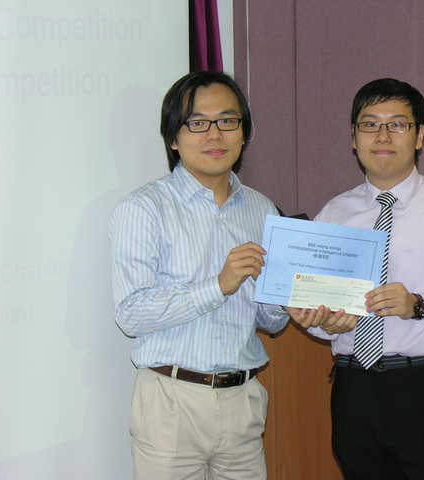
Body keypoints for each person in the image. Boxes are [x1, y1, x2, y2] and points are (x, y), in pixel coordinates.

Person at [287, 78, 424, 479]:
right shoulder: (334, 214)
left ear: (420, 135)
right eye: (370, 124)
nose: (383, 136)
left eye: (398, 124)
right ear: (354, 138)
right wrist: (323, 321)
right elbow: (318, 303)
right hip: (354, 388)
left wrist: (420, 305)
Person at [109, 71, 289, 480]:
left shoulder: (262, 209)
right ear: (173, 137)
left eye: (228, 121)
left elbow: (271, 320)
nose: (215, 134)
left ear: (243, 132)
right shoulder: (143, 209)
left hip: (242, 398)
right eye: (197, 122)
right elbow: (131, 313)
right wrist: (218, 285)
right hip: (171, 403)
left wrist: (289, 301)